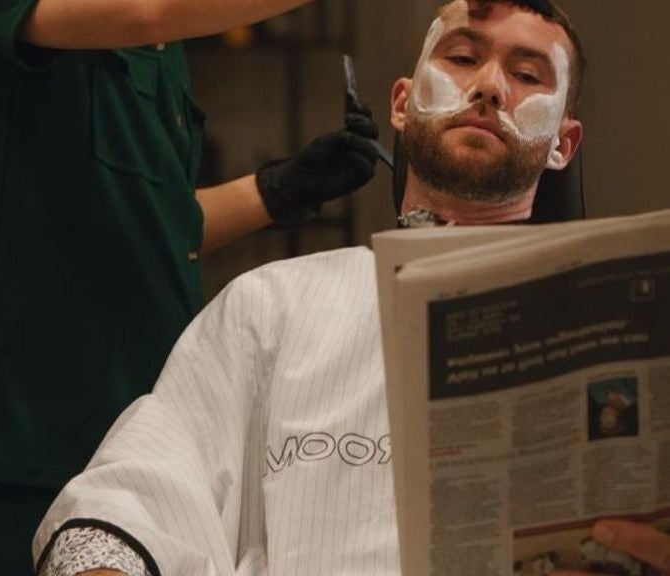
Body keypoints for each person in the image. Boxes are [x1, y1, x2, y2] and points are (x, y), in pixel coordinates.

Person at [33, 0, 670, 575]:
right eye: (462, 58)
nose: (489, 87)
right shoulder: (271, 305)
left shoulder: (621, 337)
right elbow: (130, 499)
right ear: (401, 105)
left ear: (564, 144)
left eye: (527, 75)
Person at [0, 0, 380, 574]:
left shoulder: (158, 53)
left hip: (145, 445)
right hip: (13, 450)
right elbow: (146, 12)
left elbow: (165, 224)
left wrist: (278, 190)